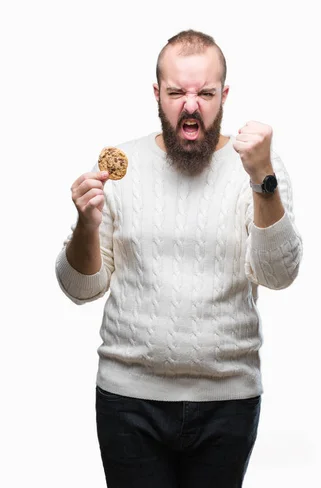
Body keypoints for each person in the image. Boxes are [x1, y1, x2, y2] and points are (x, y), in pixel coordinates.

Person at [55, 29, 302, 488]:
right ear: (157, 94)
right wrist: (85, 227)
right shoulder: (120, 167)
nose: (191, 106)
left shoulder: (259, 167)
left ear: (224, 95)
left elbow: (278, 273)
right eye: (177, 93)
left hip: (228, 400)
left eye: (205, 93)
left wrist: (261, 176)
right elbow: (80, 288)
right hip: (129, 400)